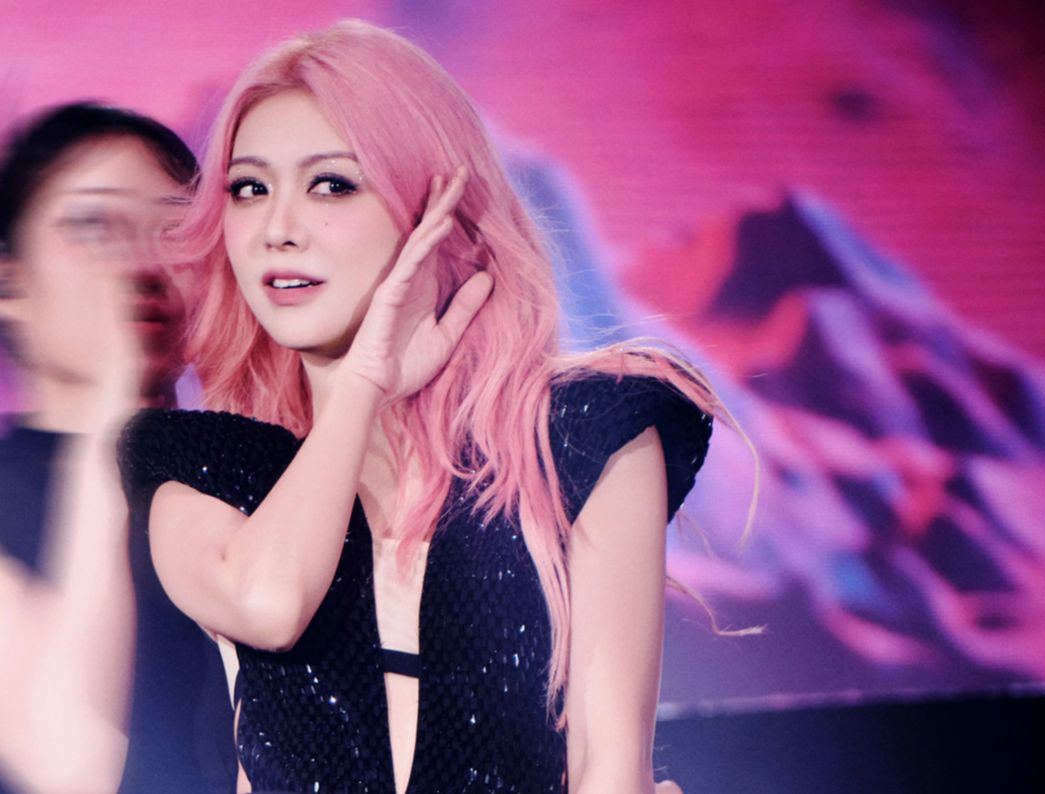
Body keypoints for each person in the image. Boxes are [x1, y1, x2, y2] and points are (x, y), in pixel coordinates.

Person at [120, 21, 721, 794]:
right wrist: (363, 382)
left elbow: (608, 767)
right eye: (249, 189)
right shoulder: (194, 463)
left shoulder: (582, 436)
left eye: (331, 184)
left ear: (431, 206)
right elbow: (267, 603)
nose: (277, 230)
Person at [0, 103, 234, 794]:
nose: (141, 262)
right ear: (2, 281)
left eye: (176, 230)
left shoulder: (258, 477)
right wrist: (110, 421)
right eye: (92, 227)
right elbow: (68, 768)